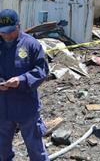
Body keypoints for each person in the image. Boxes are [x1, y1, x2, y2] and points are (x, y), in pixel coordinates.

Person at [0, 9, 50, 160]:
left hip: (26, 106)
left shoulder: (31, 45)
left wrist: (21, 80)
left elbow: (42, 70)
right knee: (2, 148)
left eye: (10, 31)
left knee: (35, 147)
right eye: (2, 32)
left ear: (18, 26)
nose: (7, 35)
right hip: (2, 109)